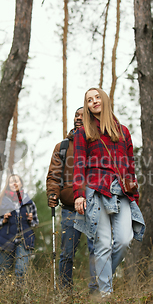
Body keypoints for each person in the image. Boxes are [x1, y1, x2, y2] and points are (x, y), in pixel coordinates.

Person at [73, 87, 145, 298]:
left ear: (104, 100)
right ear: (86, 106)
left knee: (124, 240)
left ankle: (101, 279)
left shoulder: (123, 132)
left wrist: (135, 197)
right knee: (102, 244)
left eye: (97, 97)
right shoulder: (83, 132)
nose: (94, 102)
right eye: (89, 100)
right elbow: (78, 164)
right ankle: (105, 297)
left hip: (121, 192)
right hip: (95, 190)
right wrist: (78, 194)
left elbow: (130, 167)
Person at [46, 107, 98, 294]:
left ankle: (96, 293)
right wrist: (53, 193)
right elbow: (54, 174)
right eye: (76, 116)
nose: (78, 119)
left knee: (96, 251)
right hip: (70, 207)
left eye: (83, 116)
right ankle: (64, 293)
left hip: (94, 206)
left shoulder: (96, 144)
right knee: (67, 253)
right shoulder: (63, 147)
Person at [0, 174, 39, 284]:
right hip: (5, 240)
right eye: (11, 182)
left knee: (21, 271)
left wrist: (31, 220)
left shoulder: (29, 202)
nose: (14, 183)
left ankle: (18, 298)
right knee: (3, 272)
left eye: (16, 181)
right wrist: (3, 220)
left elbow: (36, 223)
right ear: (8, 185)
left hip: (24, 240)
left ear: (21, 183)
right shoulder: (2, 201)